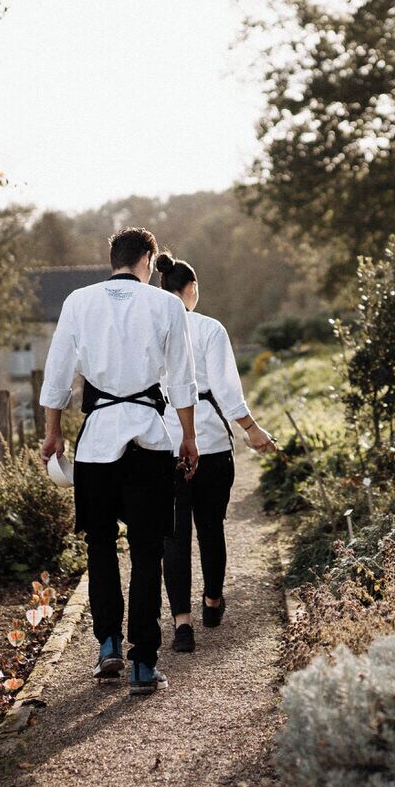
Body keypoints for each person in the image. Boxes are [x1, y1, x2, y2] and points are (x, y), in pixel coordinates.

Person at [40, 227, 198, 696]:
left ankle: (108, 643)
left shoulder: (77, 301)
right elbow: (184, 381)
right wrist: (188, 438)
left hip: (97, 444)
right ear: (147, 260)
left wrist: (53, 432)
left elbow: (57, 375)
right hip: (150, 439)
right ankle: (144, 666)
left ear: (112, 259)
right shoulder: (167, 305)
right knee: (148, 553)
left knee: (101, 547)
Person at [154, 252, 276, 654]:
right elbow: (226, 390)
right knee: (210, 528)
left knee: (173, 537)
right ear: (192, 290)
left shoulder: (150, 330)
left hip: (163, 445)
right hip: (209, 441)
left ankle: (181, 623)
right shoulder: (209, 329)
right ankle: (212, 601)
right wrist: (252, 430)